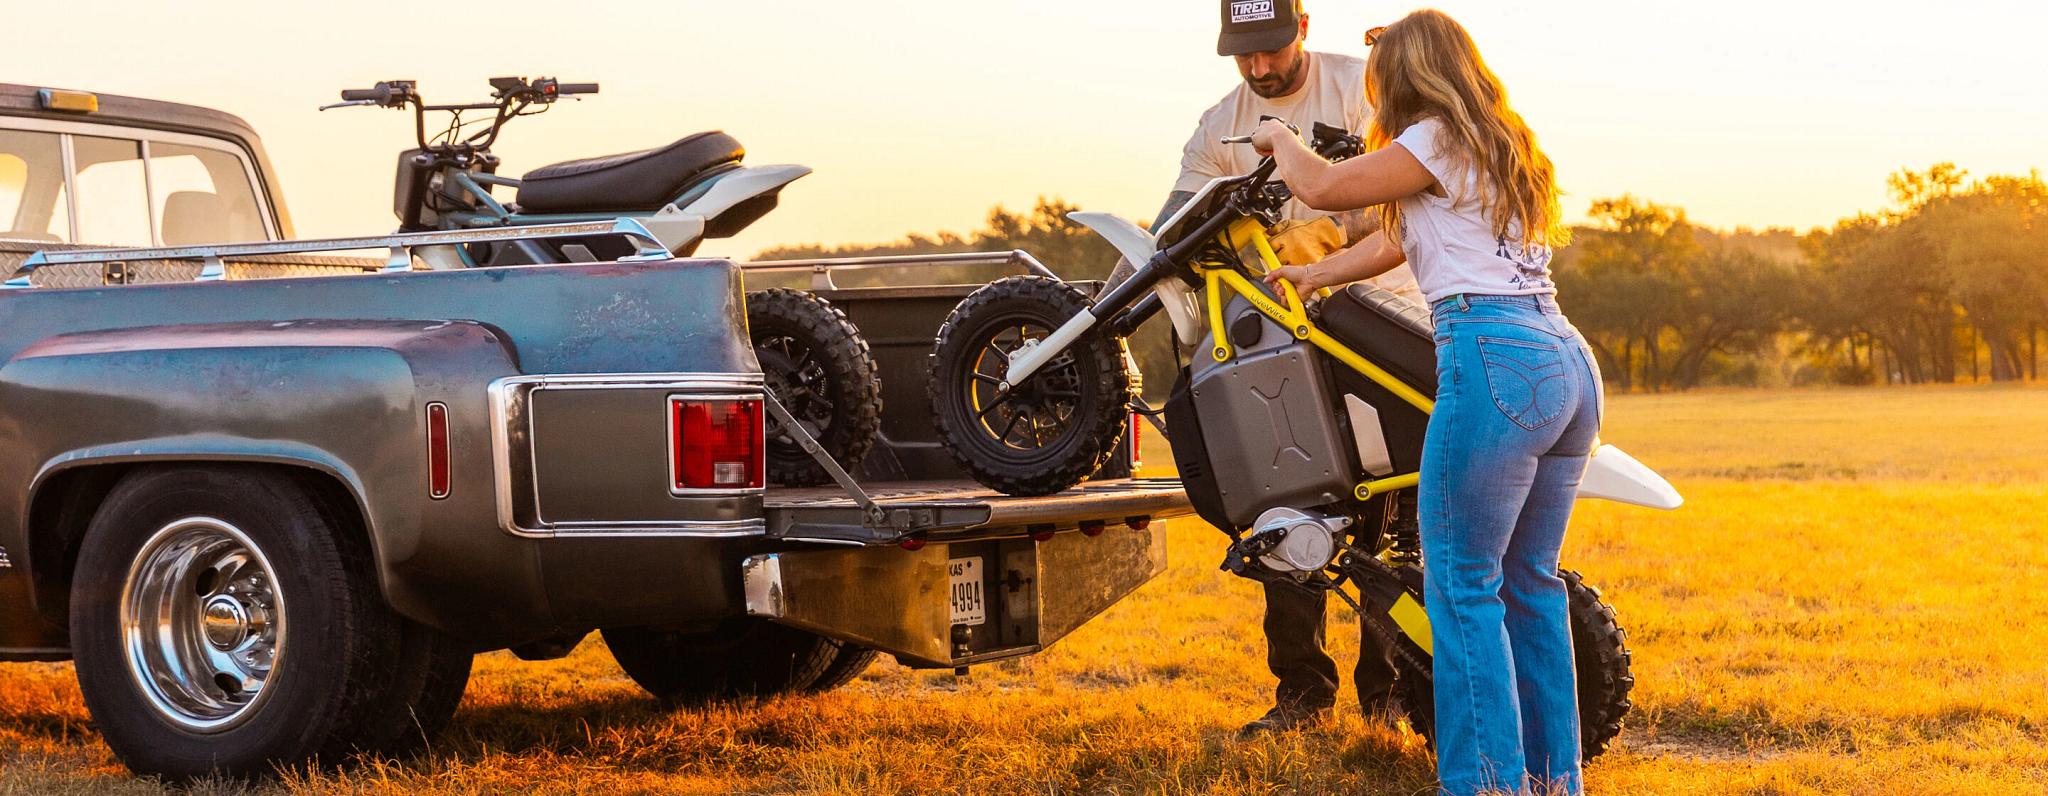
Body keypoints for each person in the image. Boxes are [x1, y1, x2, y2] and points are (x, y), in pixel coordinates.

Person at [1252, 10, 1598, 796]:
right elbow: (1405, 240)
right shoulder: (1498, 142)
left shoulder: (1434, 137)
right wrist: (1317, 276)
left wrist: (1280, 138)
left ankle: (1482, 785)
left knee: (1463, 585)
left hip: (1494, 356)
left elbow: (1323, 185)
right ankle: (1551, 781)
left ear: (1403, 80)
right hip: (1565, 361)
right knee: (1528, 582)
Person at [1126, 0, 1422, 739]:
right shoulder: (1218, 124)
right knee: (1283, 510)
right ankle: (1302, 696)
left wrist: (1321, 242)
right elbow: (1175, 222)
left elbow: (1403, 205)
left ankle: (1387, 695)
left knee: (1392, 519)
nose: (1260, 68)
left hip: (1380, 327)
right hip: (1279, 348)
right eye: (1243, 54)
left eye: (1272, 50)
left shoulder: (1367, 90)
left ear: (1304, 29)